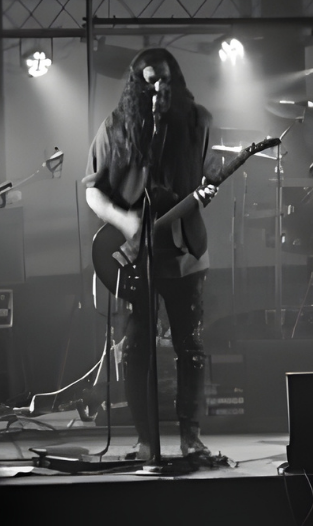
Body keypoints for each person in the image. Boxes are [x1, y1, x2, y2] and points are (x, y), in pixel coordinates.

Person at [83, 48, 227, 466]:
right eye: (148, 81)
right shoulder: (117, 125)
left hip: (184, 251)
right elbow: (92, 188)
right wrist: (124, 220)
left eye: (163, 80)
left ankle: (191, 437)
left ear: (175, 80)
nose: (157, 88)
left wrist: (208, 188)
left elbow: (207, 175)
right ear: (136, 84)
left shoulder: (197, 120)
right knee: (137, 349)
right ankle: (146, 440)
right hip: (137, 255)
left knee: (191, 345)